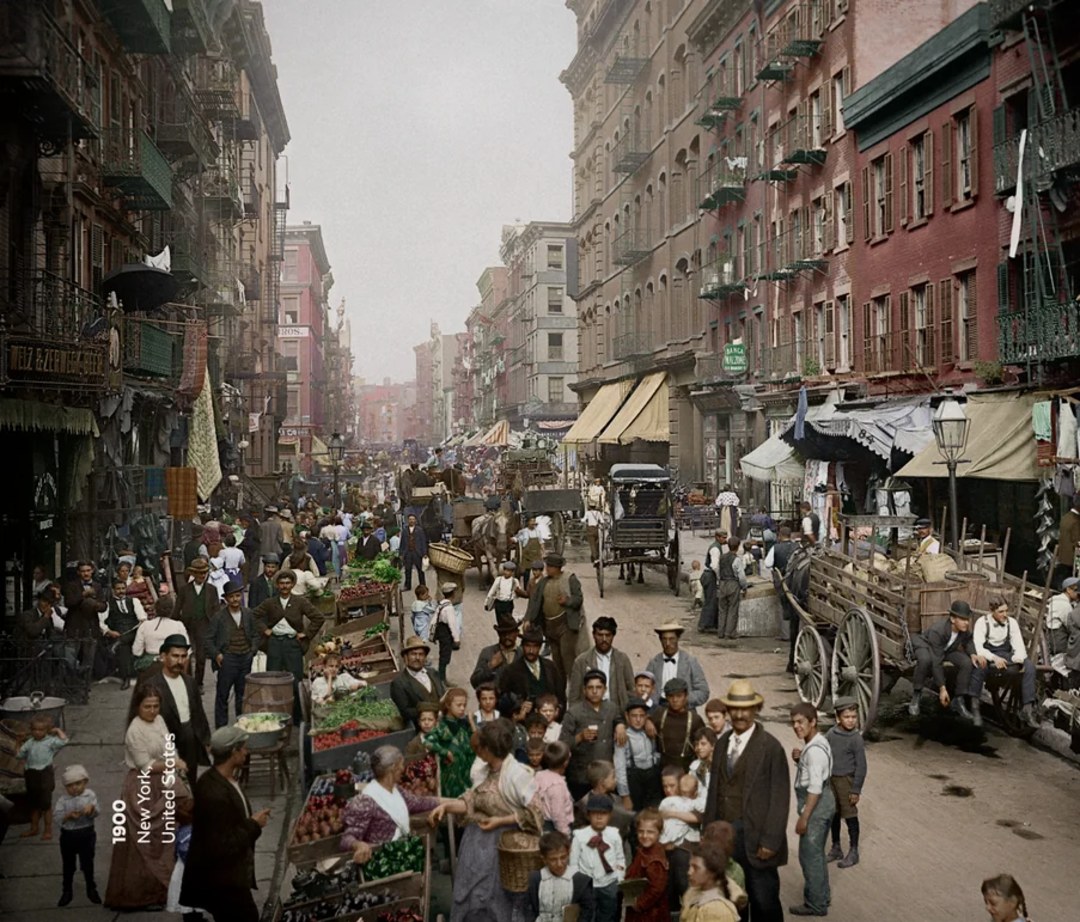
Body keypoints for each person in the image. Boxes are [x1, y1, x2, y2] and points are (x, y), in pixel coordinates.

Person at [430, 719, 544, 922]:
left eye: (482, 746)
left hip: (505, 847)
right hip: (476, 844)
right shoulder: (484, 772)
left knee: (499, 897)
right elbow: (471, 801)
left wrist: (500, 821)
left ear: (490, 749)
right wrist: (446, 806)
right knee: (474, 893)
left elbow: (535, 814)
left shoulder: (517, 775)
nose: (478, 749)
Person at [701, 680, 790, 922]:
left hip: (757, 838)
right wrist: (708, 831)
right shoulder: (721, 744)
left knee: (763, 900)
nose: (740, 715)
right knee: (732, 899)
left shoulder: (771, 748)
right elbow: (714, 791)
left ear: (756, 710)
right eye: (735, 709)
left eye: (746, 709)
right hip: (725, 838)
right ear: (728, 712)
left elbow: (780, 798)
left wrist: (770, 841)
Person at [105, 685, 192, 910]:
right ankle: (141, 895)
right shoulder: (135, 731)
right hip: (144, 787)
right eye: (147, 707)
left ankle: (167, 889)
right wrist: (174, 764)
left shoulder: (159, 720)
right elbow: (145, 765)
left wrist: (176, 764)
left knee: (167, 838)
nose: (152, 711)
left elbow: (169, 746)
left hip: (165, 781)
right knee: (146, 841)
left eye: (156, 706)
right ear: (137, 706)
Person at [180, 727, 270, 922]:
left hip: (232, 877)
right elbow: (224, 844)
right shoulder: (213, 792)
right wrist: (254, 824)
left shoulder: (222, 780)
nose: (246, 752)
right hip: (224, 881)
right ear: (233, 753)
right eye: (243, 749)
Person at [254, 569, 326, 724]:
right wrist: (264, 630)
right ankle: (276, 716)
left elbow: (318, 618)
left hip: (293, 644)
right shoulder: (270, 603)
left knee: (296, 681)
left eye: (288, 583)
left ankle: (298, 717)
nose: (285, 586)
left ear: (293, 584)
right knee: (273, 679)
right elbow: (253, 616)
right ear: (277, 586)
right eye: (281, 583)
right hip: (274, 644)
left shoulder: (300, 602)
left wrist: (306, 634)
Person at [788, 702, 835, 917]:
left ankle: (816, 904)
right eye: (794, 722)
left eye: (801, 722)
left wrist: (804, 818)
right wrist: (800, 760)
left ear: (813, 721)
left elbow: (815, 788)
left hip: (816, 805)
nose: (796, 726)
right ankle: (822, 895)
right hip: (825, 801)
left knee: (809, 856)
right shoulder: (817, 742)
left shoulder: (814, 751)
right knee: (816, 854)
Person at [139, 634, 211, 773]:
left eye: (183, 657)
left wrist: (205, 740)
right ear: (163, 656)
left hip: (190, 743)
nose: (179, 661)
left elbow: (198, 713)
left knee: (190, 784)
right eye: (175, 656)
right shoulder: (151, 685)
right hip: (165, 745)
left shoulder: (190, 682)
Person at [970, 595, 1040, 728]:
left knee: (1030, 666)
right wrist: (994, 658)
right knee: (980, 666)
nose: (1004, 614)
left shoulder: (1011, 623)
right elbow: (978, 647)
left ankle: (1027, 709)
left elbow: (1018, 645)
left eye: (1006, 611)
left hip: (1006, 654)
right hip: (988, 654)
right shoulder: (982, 622)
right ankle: (975, 706)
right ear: (992, 611)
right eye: (1001, 612)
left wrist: (1018, 660)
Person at [909, 599, 979, 719]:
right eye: (962, 619)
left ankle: (958, 699)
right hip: (926, 645)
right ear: (952, 619)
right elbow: (937, 662)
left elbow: (968, 641)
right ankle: (916, 695)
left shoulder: (963, 630)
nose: (966, 623)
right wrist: (942, 688)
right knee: (926, 660)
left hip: (946, 649)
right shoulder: (938, 630)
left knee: (967, 662)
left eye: (967, 619)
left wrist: (973, 654)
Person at [561, 670, 625, 801]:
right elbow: (561, 745)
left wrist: (620, 725)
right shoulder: (574, 713)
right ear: (584, 690)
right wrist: (580, 737)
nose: (595, 691)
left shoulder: (612, 708)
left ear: (605, 689)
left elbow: (619, 718)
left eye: (599, 687)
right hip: (582, 776)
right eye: (590, 688)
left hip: (606, 775)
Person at [208, 581, 264, 728]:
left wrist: (252, 651)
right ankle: (221, 728)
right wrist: (217, 655)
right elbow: (208, 640)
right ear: (226, 599)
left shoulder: (248, 614)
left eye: (238, 596)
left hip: (245, 658)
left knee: (242, 695)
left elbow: (256, 635)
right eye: (231, 597)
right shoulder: (219, 617)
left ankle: (242, 724)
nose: (235, 599)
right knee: (222, 695)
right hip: (228, 659)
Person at [525, 554, 586, 690]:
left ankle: (576, 693)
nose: (547, 569)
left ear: (557, 567)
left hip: (565, 626)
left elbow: (578, 599)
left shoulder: (569, 579)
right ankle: (560, 694)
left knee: (568, 661)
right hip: (550, 628)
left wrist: (567, 601)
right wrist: (528, 619)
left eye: (549, 566)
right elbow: (534, 602)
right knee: (557, 663)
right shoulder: (543, 582)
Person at [569, 794, 625, 922]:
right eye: (595, 813)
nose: (599, 817)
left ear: (610, 815)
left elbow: (620, 858)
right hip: (588, 885)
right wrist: (579, 884)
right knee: (587, 915)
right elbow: (573, 863)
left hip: (609, 882)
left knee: (608, 914)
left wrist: (619, 877)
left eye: (603, 813)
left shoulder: (614, 835)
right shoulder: (580, 836)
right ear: (588, 815)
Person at [825, 696, 866, 869]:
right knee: (833, 814)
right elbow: (823, 753)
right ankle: (836, 847)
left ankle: (854, 850)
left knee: (850, 815)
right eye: (846, 717)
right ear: (837, 718)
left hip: (846, 781)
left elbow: (862, 767)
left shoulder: (856, 739)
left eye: (853, 717)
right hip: (831, 781)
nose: (850, 720)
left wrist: (855, 790)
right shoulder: (831, 734)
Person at [525, 830, 597, 922]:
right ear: (544, 859)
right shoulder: (536, 878)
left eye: (563, 857)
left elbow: (587, 911)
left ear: (568, 853)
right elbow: (527, 908)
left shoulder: (579, 880)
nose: (559, 864)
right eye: (553, 859)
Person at [568, 617, 636, 714]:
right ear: (594, 635)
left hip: (617, 714)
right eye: (600, 635)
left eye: (608, 635)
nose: (604, 639)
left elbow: (631, 691)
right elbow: (574, 697)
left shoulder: (622, 660)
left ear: (613, 636)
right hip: (589, 714)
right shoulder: (581, 662)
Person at [54, 764, 100, 907]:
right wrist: (67, 816)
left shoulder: (90, 795)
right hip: (68, 836)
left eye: (78, 784)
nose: (74, 788)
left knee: (87, 863)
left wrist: (91, 808)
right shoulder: (63, 800)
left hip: (86, 833)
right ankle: (67, 890)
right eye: (70, 785)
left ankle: (91, 888)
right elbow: (57, 817)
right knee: (68, 864)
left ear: (85, 782)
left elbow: (97, 811)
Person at [172, 557, 221, 689]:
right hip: (187, 625)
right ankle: (187, 682)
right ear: (193, 573)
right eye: (199, 573)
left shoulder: (212, 589)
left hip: (204, 625)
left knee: (201, 656)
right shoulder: (184, 590)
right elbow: (177, 608)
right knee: (186, 655)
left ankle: (199, 683)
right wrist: (172, 624)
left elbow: (216, 610)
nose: (202, 576)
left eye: (204, 573)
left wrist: (216, 627)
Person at [17, 715, 67, 839]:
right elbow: (19, 755)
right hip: (31, 774)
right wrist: (18, 742)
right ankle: (34, 828)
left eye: (41, 730)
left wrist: (57, 731)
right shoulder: (29, 742)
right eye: (34, 729)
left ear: (47, 730)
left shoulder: (50, 741)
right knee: (33, 805)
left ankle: (47, 829)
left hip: (45, 774)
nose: (37, 732)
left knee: (46, 805)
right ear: (31, 730)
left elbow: (64, 741)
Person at [660, 769, 701, 911]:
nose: (668, 790)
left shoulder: (692, 801)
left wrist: (673, 814)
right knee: (669, 889)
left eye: (672, 786)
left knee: (687, 889)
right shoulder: (666, 802)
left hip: (686, 850)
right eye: (665, 786)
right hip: (669, 851)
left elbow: (697, 817)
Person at [499, 625, 566, 712]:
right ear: (522, 646)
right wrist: (519, 706)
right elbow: (502, 700)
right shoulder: (511, 671)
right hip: (523, 721)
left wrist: (557, 713)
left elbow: (561, 696)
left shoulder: (551, 667)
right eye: (527, 646)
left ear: (540, 647)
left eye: (535, 646)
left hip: (549, 719)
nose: (531, 650)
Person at [424, 687, 475, 797]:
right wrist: (445, 752)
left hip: (466, 775)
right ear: (448, 705)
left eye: (464, 705)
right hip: (450, 778)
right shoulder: (441, 726)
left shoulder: (465, 724)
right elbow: (428, 742)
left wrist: (471, 723)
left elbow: (476, 744)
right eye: (458, 705)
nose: (462, 709)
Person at [646, 622, 710, 709]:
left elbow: (703, 692)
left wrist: (684, 699)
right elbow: (646, 689)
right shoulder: (654, 663)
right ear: (660, 640)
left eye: (672, 639)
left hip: (685, 710)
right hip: (660, 709)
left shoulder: (690, 662)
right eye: (664, 639)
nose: (668, 643)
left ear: (678, 639)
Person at [614, 696, 662, 811]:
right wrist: (625, 796)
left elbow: (656, 754)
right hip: (634, 783)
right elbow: (619, 769)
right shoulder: (623, 736)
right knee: (636, 817)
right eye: (634, 716)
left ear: (646, 716)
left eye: (641, 716)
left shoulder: (649, 731)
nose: (638, 719)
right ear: (626, 716)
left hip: (652, 781)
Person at [390, 636, 447, 728]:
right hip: (422, 729)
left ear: (425, 657)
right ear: (406, 657)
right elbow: (405, 712)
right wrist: (431, 711)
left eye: (421, 654)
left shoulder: (433, 673)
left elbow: (443, 695)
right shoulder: (399, 683)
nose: (417, 658)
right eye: (413, 654)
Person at [651, 678, 706, 773]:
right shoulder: (659, 714)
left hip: (687, 769)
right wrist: (648, 722)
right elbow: (640, 721)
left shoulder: (695, 720)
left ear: (686, 696)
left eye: (679, 696)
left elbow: (704, 746)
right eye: (671, 696)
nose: (675, 700)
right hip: (663, 769)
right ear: (666, 698)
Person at [764, 526, 799, 672]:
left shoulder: (776, 548)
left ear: (780, 536)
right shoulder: (797, 546)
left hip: (783, 581)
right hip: (797, 580)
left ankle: (786, 635)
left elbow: (767, 564)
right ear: (790, 536)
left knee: (783, 606)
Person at [102, 577, 147, 690]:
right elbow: (101, 622)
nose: (121, 591)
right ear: (113, 590)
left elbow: (142, 618)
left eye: (123, 588)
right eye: (118, 589)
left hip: (134, 631)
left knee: (127, 639)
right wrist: (109, 631)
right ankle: (125, 678)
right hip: (118, 633)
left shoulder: (134, 601)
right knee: (124, 648)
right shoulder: (108, 604)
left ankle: (118, 643)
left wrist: (141, 620)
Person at [625, 808, 669, 922]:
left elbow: (656, 888)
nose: (644, 836)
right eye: (641, 831)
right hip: (636, 903)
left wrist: (640, 904)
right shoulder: (643, 850)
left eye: (650, 832)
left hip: (650, 913)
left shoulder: (655, 860)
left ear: (659, 832)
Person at [680, 843, 741, 922]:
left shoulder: (717, 910)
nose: (689, 872)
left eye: (696, 868)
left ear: (711, 873)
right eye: (690, 866)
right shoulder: (691, 894)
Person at [132, 595, 189, 678]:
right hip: (172, 664)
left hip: (149, 664)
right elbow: (187, 652)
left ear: (155, 609)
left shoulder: (145, 625)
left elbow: (136, 651)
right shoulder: (178, 625)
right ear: (172, 609)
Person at [62, 561, 106, 667]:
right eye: (83, 571)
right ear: (78, 572)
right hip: (75, 626)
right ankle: (72, 681)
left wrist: (97, 605)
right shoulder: (71, 585)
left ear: (92, 571)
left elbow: (104, 605)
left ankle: (86, 680)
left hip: (91, 626)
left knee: (89, 658)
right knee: (70, 657)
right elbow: (69, 602)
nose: (86, 573)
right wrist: (83, 595)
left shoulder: (97, 586)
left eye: (88, 571)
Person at [534, 740, 574, 836]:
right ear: (565, 763)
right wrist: (566, 834)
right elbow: (558, 815)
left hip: (541, 823)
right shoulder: (557, 786)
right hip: (554, 829)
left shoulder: (540, 775)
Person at [471, 621, 522, 690]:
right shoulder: (488, 652)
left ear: (517, 633)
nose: (507, 636)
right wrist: (490, 667)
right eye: (503, 633)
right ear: (498, 634)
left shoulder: (523, 654)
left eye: (510, 633)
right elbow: (474, 682)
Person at [715, 538, 748, 642]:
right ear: (738, 547)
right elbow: (741, 576)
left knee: (722, 609)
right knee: (732, 609)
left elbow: (718, 570)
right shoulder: (737, 559)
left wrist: (719, 582)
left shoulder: (722, 557)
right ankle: (729, 633)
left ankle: (720, 632)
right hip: (733, 584)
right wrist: (744, 587)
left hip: (722, 583)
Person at [432, 581, 461, 683]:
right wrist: (456, 639)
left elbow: (434, 620)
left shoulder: (441, 605)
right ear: (453, 594)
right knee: (445, 656)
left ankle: (442, 677)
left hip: (440, 632)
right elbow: (453, 625)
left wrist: (432, 635)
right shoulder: (449, 608)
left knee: (442, 654)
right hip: (446, 633)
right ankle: (442, 679)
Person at [1046, 575, 1079, 660]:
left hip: (1051, 636)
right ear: (1068, 590)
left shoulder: (1056, 599)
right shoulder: (1065, 605)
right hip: (1058, 641)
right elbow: (1070, 626)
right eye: (1076, 590)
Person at [513, 516, 547, 589]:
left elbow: (541, 542)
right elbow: (516, 539)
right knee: (526, 573)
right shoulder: (523, 532)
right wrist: (510, 539)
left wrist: (543, 552)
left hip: (536, 555)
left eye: (534, 521)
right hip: (527, 556)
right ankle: (526, 589)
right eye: (531, 521)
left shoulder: (538, 532)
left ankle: (538, 588)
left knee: (538, 572)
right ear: (528, 522)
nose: (533, 523)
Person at [485, 560, 523, 626]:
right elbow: (491, 592)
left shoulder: (515, 581)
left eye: (508, 571)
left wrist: (515, 594)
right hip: (499, 604)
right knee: (500, 622)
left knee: (508, 621)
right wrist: (486, 602)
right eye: (505, 570)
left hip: (508, 604)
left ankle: (514, 623)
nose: (506, 572)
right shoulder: (498, 580)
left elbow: (518, 594)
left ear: (512, 572)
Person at [1055, 499, 1080, 589]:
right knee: (1069, 581)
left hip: (1062, 555)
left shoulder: (1065, 518)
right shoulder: (1075, 521)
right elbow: (1077, 541)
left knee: (1062, 578)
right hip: (1071, 557)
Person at [401, 513, 429, 590]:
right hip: (408, 552)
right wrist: (401, 553)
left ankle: (423, 585)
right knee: (407, 570)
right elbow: (402, 543)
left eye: (413, 519)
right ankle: (407, 586)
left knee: (420, 570)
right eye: (410, 519)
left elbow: (423, 541)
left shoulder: (419, 530)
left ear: (415, 520)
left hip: (417, 552)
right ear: (408, 520)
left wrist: (425, 553)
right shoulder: (404, 530)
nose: (411, 521)